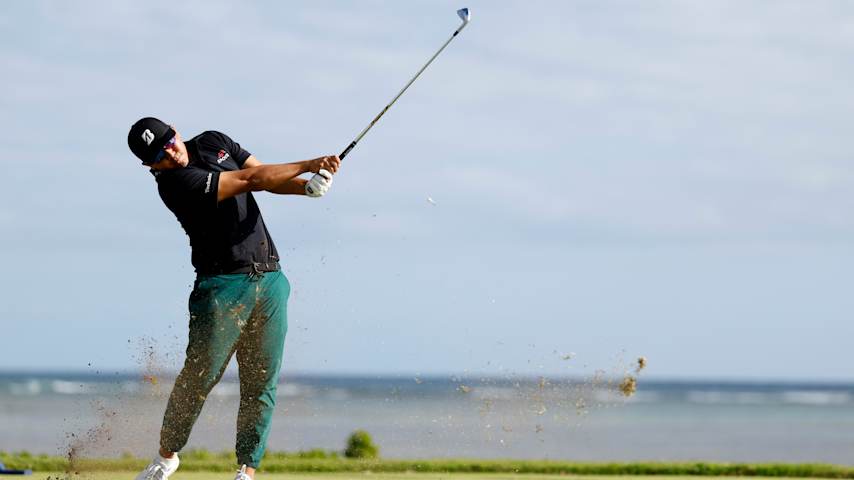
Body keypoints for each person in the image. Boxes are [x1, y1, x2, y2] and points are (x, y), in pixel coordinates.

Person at [126, 117, 341, 480]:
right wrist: (308, 164)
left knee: (261, 381)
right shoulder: (176, 184)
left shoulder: (212, 141)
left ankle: (247, 469)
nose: (171, 153)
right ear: (150, 165)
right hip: (222, 286)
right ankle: (166, 457)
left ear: (176, 132)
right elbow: (248, 181)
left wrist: (305, 187)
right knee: (199, 376)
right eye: (160, 155)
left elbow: (264, 176)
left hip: (270, 278)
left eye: (171, 142)